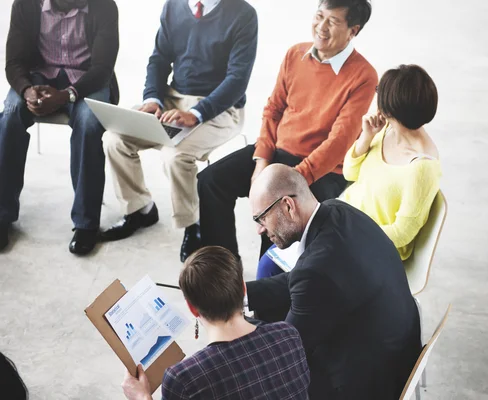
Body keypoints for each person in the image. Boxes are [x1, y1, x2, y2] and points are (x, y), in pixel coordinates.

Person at [195, 0, 378, 261]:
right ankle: (224, 269)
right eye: (319, 16)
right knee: (211, 181)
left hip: (323, 170)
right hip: (278, 154)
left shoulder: (364, 75)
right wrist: (261, 163)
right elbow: (273, 110)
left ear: (353, 31)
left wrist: (284, 181)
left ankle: (266, 294)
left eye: (333, 22)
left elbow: (340, 141)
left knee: (278, 214)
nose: (321, 27)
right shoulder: (295, 54)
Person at [246, 164, 422, 400]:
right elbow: (298, 279)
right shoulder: (338, 211)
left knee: (260, 376)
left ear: (288, 206)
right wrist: (240, 293)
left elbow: (285, 355)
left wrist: (229, 323)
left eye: (262, 217)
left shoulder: (316, 271)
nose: (259, 229)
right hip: (398, 352)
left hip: (368, 385)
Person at [102, 0, 258, 262]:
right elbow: (159, 59)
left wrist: (197, 114)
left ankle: (193, 226)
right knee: (114, 138)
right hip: (173, 99)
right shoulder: (173, 6)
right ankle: (140, 209)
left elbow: (237, 80)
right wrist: (152, 98)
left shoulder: (243, 14)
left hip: (220, 107)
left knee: (175, 155)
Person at [257, 64, 441, 278]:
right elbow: (350, 173)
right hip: (342, 224)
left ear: (391, 110)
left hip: (366, 247)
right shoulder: (387, 133)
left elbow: (402, 233)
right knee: (270, 263)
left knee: (280, 274)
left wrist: (347, 234)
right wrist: (366, 138)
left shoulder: (422, 168)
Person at [0, 0, 119, 254]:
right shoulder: (25, 5)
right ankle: (2, 214)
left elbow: (103, 68)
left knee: (88, 123)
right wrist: (26, 90)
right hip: (39, 75)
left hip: (87, 79)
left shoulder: (104, 6)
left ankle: (86, 224)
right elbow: (13, 62)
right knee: (9, 115)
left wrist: (67, 95)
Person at [122, 246, 310, 400]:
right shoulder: (288, 335)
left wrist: (141, 397)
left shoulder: (185, 378)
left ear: (192, 308)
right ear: (244, 289)